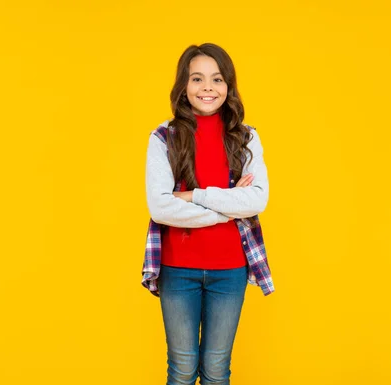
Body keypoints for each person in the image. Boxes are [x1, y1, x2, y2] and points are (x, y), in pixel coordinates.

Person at [141, 42, 275, 385]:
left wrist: (194, 196)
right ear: (183, 87)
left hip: (229, 269)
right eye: (197, 79)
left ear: (228, 85)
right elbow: (160, 207)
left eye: (216, 79)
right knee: (182, 368)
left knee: (217, 370)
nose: (207, 88)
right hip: (178, 269)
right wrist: (229, 205)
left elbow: (257, 200)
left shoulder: (246, 137)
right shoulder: (164, 137)